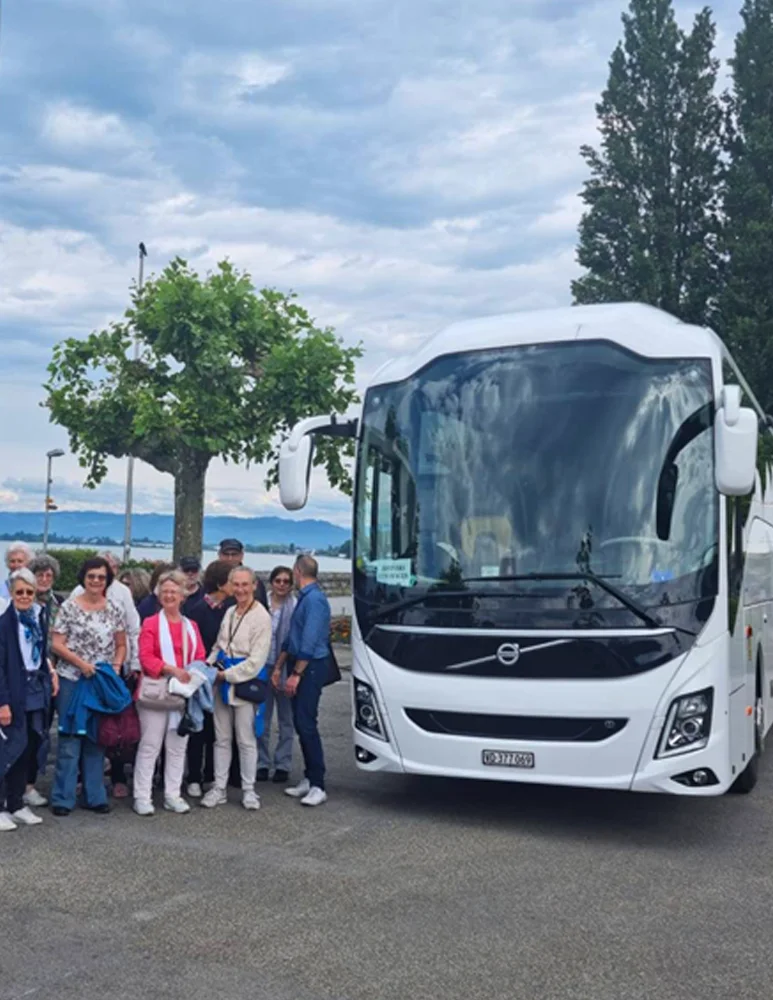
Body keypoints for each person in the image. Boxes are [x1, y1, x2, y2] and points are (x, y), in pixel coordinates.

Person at [50, 557, 127, 816]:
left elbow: (121, 644)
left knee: (96, 739)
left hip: (100, 682)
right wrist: (81, 663)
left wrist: (115, 667)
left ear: (107, 580)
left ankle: (95, 796)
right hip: (72, 679)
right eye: (91, 576)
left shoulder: (115, 608)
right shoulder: (69, 607)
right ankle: (63, 798)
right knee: (70, 739)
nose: (96, 581)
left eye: (101, 577)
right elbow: (57, 644)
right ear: (83, 578)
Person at [133, 570, 205, 816]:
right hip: (156, 691)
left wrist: (190, 675)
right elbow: (145, 657)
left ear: (183, 595)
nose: (169, 596)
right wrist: (171, 669)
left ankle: (172, 794)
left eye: (174, 591)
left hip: (182, 693)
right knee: (150, 745)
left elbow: (200, 656)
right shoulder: (150, 623)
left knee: (177, 747)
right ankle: (142, 796)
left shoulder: (191, 626)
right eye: (165, 591)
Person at [70, 551, 140, 798]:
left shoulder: (122, 593)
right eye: (95, 572)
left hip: (113, 670)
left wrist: (131, 664)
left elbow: (132, 629)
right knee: (83, 728)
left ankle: (117, 776)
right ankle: (82, 779)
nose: (99, 578)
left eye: (108, 570)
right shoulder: (76, 595)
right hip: (81, 671)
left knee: (114, 725)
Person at [201, 566, 271, 811]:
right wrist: (207, 667)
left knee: (246, 739)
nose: (240, 589)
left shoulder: (261, 617)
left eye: (245, 584)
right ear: (230, 586)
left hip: (245, 684)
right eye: (236, 584)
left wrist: (224, 675)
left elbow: (256, 661)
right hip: (221, 682)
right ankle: (219, 788)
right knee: (221, 739)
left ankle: (249, 789)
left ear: (254, 586)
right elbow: (219, 647)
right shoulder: (230, 612)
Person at [0, 569, 57, 830]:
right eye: (19, 592)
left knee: (28, 746)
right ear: (12, 593)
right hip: (13, 690)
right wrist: (2, 703)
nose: (24, 596)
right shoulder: (4, 624)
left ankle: (16, 803)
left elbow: (41, 654)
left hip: (35, 689)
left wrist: (50, 675)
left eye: (29, 592)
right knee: (8, 749)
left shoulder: (37, 618)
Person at [273, 555, 331, 808]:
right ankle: (309, 777)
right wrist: (279, 666)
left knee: (306, 723)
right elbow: (293, 637)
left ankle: (318, 783)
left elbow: (309, 640)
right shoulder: (306, 598)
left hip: (310, 666)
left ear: (297, 571)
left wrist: (296, 674)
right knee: (300, 721)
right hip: (299, 662)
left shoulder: (314, 600)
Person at [184, 559, 232, 797]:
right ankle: (194, 777)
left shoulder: (230, 608)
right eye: (231, 581)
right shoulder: (197, 610)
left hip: (222, 674)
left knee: (217, 728)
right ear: (221, 583)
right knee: (198, 727)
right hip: (200, 673)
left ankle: (212, 775)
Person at [26, 553, 64, 807]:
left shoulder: (59, 604)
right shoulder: (24, 603)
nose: (45, 579)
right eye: (40, 574)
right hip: (30, 677)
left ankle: (30, 784)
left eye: (49, 575)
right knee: (26, 732)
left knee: (43, 732)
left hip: (54, 674)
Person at [257, 566, 297, 783]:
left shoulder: (295, 606)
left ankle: (283, 763)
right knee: (261, 718)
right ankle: (261, 762)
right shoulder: (261, 604)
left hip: (286, 667)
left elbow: (293, 639)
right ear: (271, 582)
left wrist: (281, 668)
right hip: (263, 665)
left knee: (286, 720)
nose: (282, 584)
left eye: (286, 581)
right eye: (278, 580)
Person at [218, 539, 268, 608]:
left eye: (234, 554)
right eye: (226, 554)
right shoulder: (213, 578)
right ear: (219, 555)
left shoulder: (251, 579)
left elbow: (261, 605)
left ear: (241, 555)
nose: (230, 558)